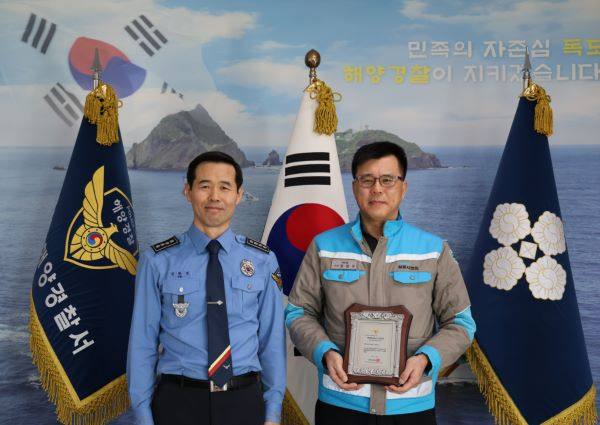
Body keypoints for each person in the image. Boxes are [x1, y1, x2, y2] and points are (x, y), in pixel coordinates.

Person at [285, 141, 476, 424]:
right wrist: (325, 352)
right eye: (367, 180)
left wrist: (426, 359)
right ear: (355, 187)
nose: (377, 189)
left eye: (387, 180)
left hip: (411, 407)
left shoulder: (433, 250)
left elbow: (461, 323)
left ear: (403, 187)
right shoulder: (324, 246)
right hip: (340, 404)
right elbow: (298, 313)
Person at [127, 151, 285, 425]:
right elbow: (142, 343)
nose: (214, 196)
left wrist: (272, 412)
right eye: (204, 186)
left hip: (243, 400)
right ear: (187, 191)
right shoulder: (158, 261)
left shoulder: (262, 260)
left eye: (224, 187)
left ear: (238, 195)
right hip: (178, 402)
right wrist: (143, 417)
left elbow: (272, 340)